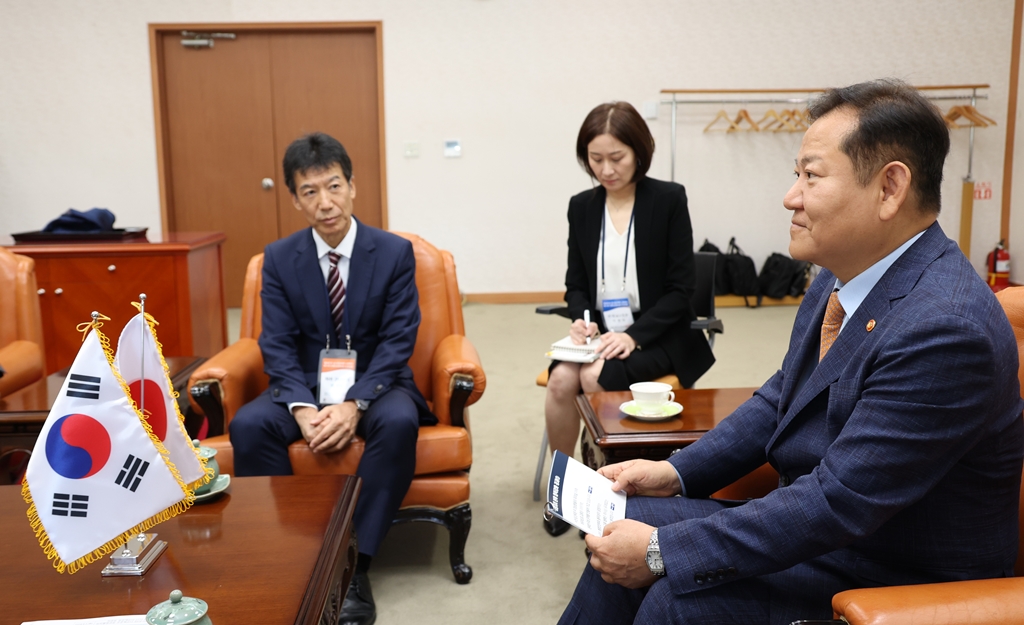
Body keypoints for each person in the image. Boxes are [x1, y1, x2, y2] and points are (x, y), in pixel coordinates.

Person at [558, 79, 1024, 625]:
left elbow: (836, 502)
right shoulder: (835, 275)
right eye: (794, 174)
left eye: (811, 175)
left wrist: (662, 553)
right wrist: (676, 473)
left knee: (675, 593)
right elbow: (782, 396)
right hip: (827, 531)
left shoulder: (945, 329)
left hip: (890, 567)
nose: (791, 196)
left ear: (890, 187)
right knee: (625, 518)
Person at [229, 132, 435, 625]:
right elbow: (275, 342)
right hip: (302, 385)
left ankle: (354, 563)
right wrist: (301, 407)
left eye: (334, 186)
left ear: (353, 186)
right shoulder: (278, 259)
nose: (326, 203)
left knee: (401, 421)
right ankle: (290, 554)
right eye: (310, 191)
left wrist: (354, 404)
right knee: (248, 426)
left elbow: (397, 339)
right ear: (294, 199)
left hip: (377, 384)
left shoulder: (392, 252)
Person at [544, 102, 715, 536]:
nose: (606, 169)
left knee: (592, 376)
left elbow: (681, 291)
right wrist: (582, 319)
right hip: (601, 334)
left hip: (658, 332)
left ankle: (606, 491)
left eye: (616, 158)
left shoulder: (668, 199)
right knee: (563, 380)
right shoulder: (581, 206)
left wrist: (634, 337)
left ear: (639, 151)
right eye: (595, 159)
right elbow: (576, 283)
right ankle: (563, 490)